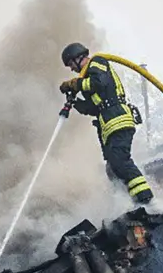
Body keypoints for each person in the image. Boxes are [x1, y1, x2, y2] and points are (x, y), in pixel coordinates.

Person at [58, 42, 154, 205]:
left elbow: (98, 83)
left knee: (120, 160)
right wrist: (75, 103)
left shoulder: (97, 62)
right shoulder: (87, 77)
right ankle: (128, 203)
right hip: (107, 126)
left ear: (78, 58)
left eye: (71, 65)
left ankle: (146, 200)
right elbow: (94, 108)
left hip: (118, 120)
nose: (72, 69)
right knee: (112, 169)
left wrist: (75, 84)